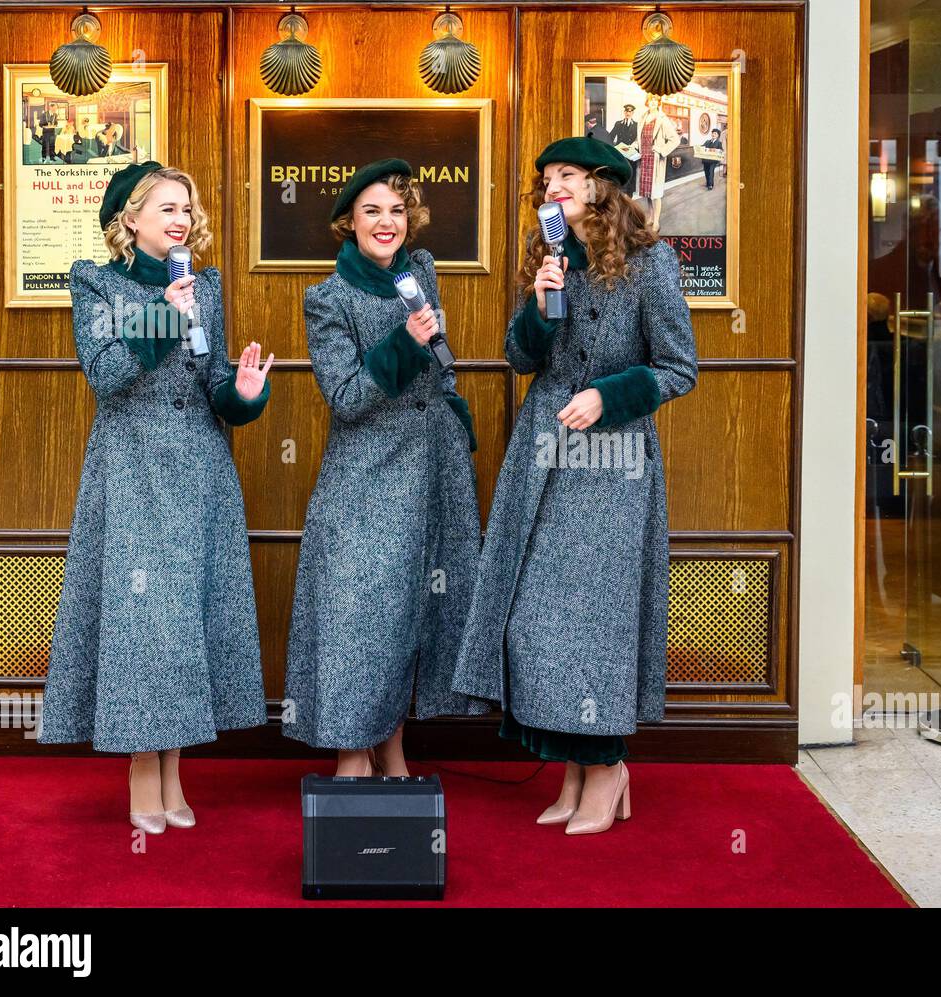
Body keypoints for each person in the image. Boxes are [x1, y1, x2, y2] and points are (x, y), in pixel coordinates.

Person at [452, 137, 698, 835]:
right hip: (543, 457)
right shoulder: (547, 260)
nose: (552, 186)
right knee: (536, 622)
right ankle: (573, 769)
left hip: (613, 465)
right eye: (546, 179)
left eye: (567, 175)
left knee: (597, 626)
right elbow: (520, 355)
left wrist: (609, 397)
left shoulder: (651, 265)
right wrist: (540, 302)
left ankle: (607, 768)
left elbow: (680, 368)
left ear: (602, 186)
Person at [39, 161, 274, 834]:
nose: (181, 219)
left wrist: (246, 392)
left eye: (186, 208)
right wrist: (160, 318)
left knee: (184, 625)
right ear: (131, 219)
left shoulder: (204, 286)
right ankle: (143, 771)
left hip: (200, 468)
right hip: (134, 469)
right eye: (167, 207)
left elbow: (215, 385)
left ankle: (173, 770)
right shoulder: (96, 281)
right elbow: (105, 374)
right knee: (145, 625)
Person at [283, 159, 485, 777]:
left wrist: (447, 395)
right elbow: (344, 397)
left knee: (413, 609)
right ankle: (352, 752)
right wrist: (405, 343)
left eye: (396, 210)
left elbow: (437, 364)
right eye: (372, 211)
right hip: (367, 474)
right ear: (349, 222)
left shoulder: (419, 273)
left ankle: (392, 747)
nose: (386, 222)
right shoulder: (328, 299)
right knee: (358, 610)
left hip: (433, 466)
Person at [634, 95, 681, 232]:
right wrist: (634, 145)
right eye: (651, 100)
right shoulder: (642, 118)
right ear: (647, 102)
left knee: (656, 193)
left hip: (655, 159)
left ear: (658, 103)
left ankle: (657, 222)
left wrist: (661, 149)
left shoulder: (662, 119)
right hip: (643, 158)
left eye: (655, 100)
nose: (653, 102)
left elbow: (675, 140)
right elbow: (641, 138)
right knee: (647, 192)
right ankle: (650, 217)